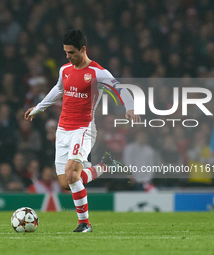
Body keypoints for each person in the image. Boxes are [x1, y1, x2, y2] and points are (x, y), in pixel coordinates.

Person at [25, 30, 140, 232]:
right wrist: (38, 108)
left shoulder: (98, 72)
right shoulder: (65, 70)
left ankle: (84, 224)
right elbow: (58, 90)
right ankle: (105, 166)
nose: (68, 56)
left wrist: (129, 107)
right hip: (62, 130)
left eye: (71, 52)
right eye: (66, 52)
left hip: (83, 128)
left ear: (83, 49)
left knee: (71, 173)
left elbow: (120, 89)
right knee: (66, 182)